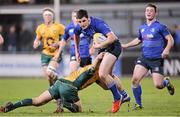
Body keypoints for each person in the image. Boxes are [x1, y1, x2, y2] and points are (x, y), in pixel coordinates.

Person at [121, 3, 175, 110]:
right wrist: (126, 45)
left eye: (151, 10)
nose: (148, 12)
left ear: (155, 13)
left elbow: (170, 40)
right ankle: (138, 104)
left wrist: (167, 49)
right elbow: (139, 40)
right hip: (144, 58)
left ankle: (166, 82)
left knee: (158, 85)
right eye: (147, 11)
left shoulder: (161, 27)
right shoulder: (142, 28)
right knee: (135, 80)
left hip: (156, 59)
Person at [73, 9, 123, 113]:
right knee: (108, 77)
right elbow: (76, 35)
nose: (82, 24)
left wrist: (98, 45)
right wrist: (77, 51)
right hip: (103, 48)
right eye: (79, 22)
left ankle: (117, 98)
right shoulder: (79, 26)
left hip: (114, 46)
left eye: (84, 21)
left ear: (88, 18)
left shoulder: (98, 23)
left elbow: (112, 38)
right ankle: (125, 95)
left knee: (102, 74)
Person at [33, 8, 65, 86]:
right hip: (45, 54)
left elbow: (66, 39)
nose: (47, 16)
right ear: (43, 16)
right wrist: (36, 43)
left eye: (49, 15)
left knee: (49, 72)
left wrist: (58, 43)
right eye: (46, 15)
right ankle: (56, 95)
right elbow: (37, 38)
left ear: (52, 16)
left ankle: (58, 79)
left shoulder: (59, 27)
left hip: (56, 53)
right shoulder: (40, 27)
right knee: (48, 77)